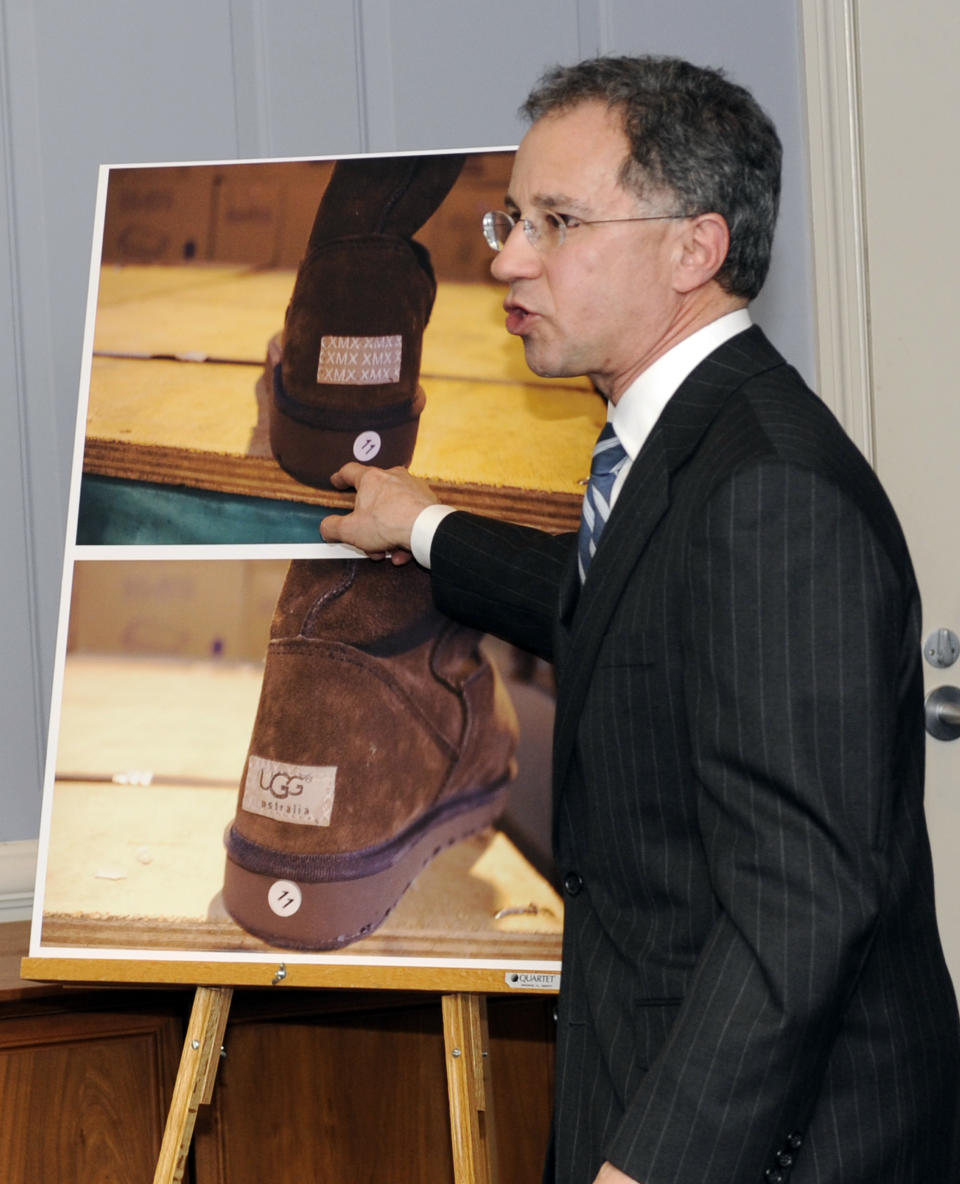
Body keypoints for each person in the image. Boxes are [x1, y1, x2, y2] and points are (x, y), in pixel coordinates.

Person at [321, 55, 960, 1184]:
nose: (509, 257)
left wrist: (652, 1166)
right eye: (510, 217)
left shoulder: (771, 492)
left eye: (557, 222)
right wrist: (427, 529)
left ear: (693, 249)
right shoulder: (684, 442)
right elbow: (620, 603)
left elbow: (801, 908)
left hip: (769, 1143)